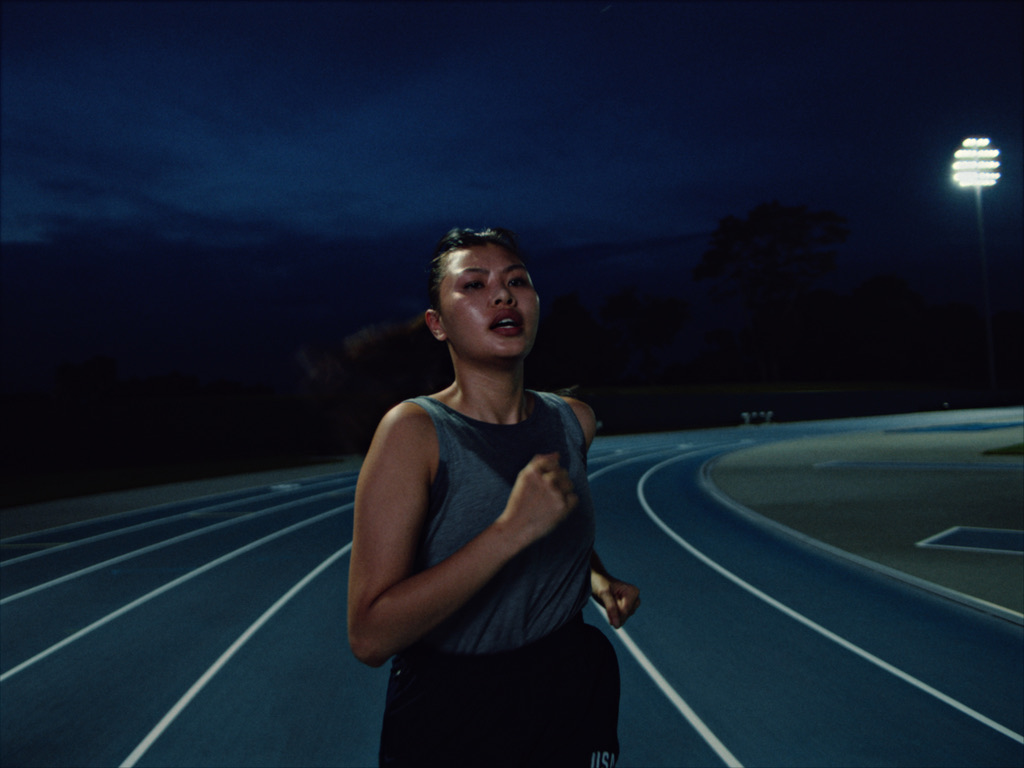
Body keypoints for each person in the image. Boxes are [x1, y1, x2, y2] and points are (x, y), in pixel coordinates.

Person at [347, 227, 640, 767]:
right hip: (456, 710)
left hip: (571, 687)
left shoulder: (573, 421)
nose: (503, 295)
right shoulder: (413, 433)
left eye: (517, 281)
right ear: (437, 324)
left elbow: (551, 517)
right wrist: (508, 533)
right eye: (474, 285)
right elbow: (369, 636)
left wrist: (596, 577)